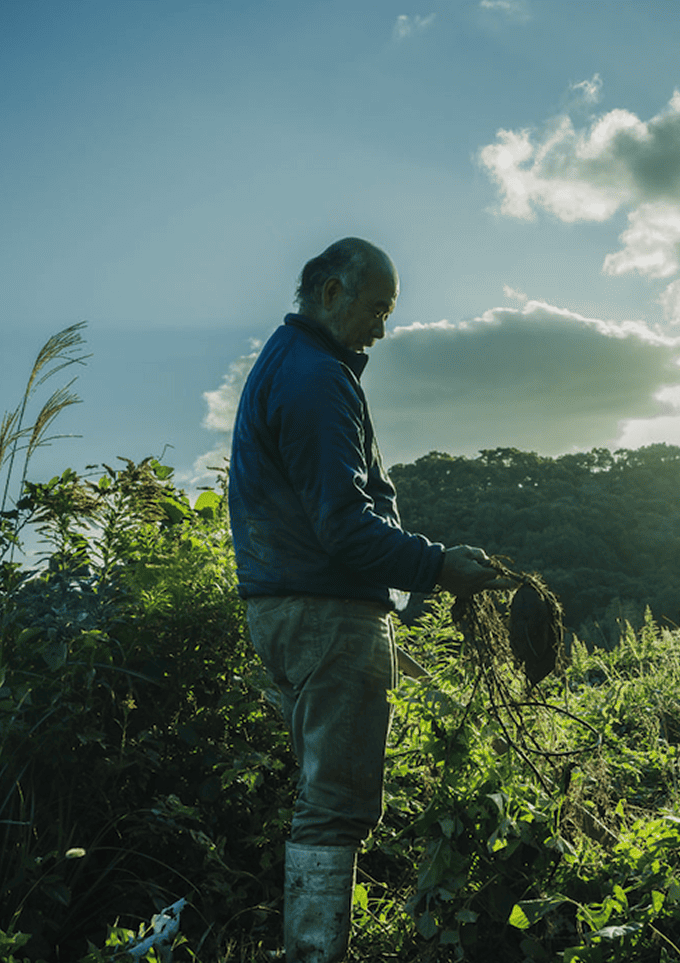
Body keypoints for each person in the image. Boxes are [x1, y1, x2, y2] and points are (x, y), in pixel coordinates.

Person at [227, 237, 513, 961]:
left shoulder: (286, 364)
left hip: (286, 609)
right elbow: (345, 525)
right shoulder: (317, 378)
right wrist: (439, 566)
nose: (383, 329)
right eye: (378, 310)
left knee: (323, 794)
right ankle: (315, 953)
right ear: (331, 292)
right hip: (326, 614)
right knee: (336, 806)